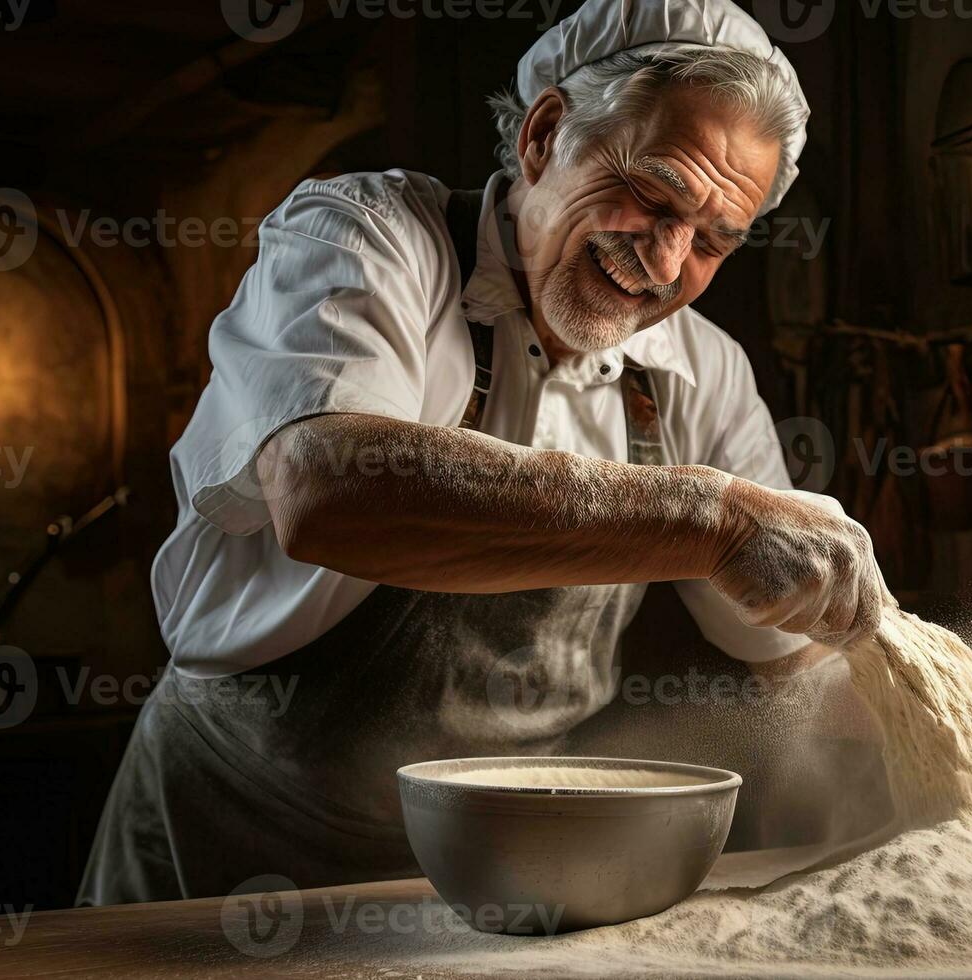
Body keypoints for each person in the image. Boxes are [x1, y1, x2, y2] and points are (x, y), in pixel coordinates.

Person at [77, 0, 889, 905]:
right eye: (653, 197)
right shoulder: (367, 237)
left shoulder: (702, 370)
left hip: (482, 872)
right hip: (235, 841)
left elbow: (790, 648)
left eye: (710, 241)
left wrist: (949, 717)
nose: (664, 264)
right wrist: (708, 519)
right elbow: (328, 490)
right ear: (545, 133)